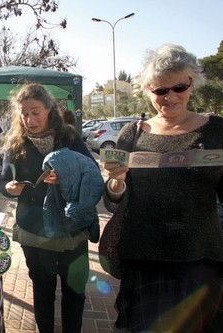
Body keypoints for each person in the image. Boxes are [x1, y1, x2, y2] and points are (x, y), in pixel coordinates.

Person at [103, 44, 223, 332]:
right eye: (160, 91)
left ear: (192, 83)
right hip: (144, 260)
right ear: (147, 90)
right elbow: (114, 200)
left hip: (199, 259)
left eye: (179, 87)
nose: (170, 96)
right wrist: (116, 181)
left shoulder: (217, 130)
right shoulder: (132, 134)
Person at [0, 83, 100, 333]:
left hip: (71, 228)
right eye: (24, 113)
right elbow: (2, 181)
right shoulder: (16, 144)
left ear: (49, 110)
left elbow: (91, 173)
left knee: (74, 291)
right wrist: (8, 188)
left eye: (35, 112)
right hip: (35, 230)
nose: (29, 120)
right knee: (43, 292)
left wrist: (66, 177)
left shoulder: (69, 137)